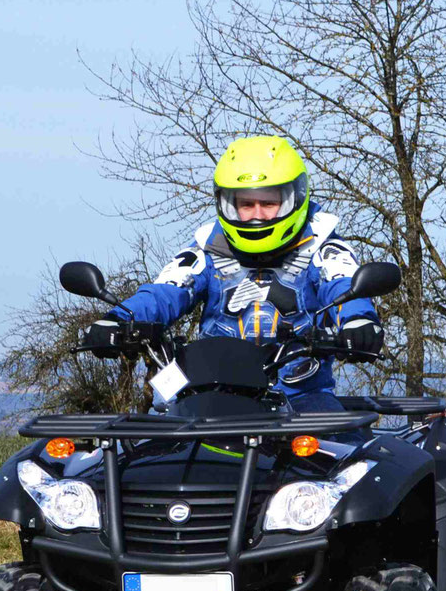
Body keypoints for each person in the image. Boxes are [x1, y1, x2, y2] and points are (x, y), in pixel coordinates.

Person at [83, 135, 381, 411]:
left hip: (301, 398)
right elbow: (166, 291)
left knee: (344, 459)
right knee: (152, 456)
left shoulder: (319, 242)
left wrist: (358, 322)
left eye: (268, 202)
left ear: (293, 198)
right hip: (212, 396)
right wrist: (119, 320)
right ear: (227, 203)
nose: (257, 214)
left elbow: (342, 282)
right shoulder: (210, 246)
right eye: (246, 204)